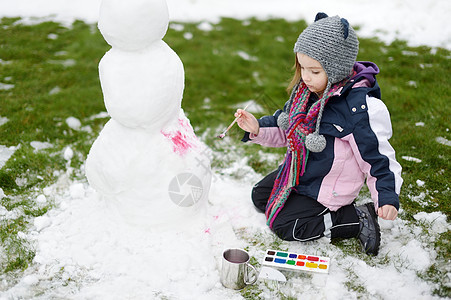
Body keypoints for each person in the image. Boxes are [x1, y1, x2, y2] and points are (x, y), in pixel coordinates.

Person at [235, 12, 402, 256]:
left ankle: (354, 218)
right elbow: (286, 126)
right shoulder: (307, 94)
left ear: (335, 69)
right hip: (301, 171)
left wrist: (387, 196)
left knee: (284, 224)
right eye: (302, 67)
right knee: (260, 197)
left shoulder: (359, 110)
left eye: (314, 70)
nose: (305, 77)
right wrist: (257, 128)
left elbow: (378, 159)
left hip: (327, 187)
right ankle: (305, 203)